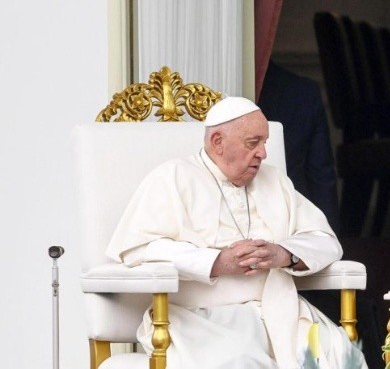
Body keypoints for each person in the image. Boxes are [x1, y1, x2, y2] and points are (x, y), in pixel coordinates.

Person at [106, 97, 367, 369]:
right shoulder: (173, 177)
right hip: (201, 318)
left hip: (281, 310)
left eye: (265, 143)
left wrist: (284, 254)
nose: (263, 154)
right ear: (217, 142)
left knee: (344, 357)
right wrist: (216, 262)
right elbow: (140, 248)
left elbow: (325, 240)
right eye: (253, 143)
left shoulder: (274, 180)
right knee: (241, 362)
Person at [258, 60, 340, 233]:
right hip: (294, 229)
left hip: (294, 231)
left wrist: (329, 241)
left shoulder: (302, 94)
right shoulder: (302, 93)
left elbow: (321, 176)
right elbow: (321, 178)